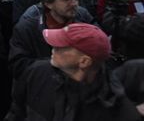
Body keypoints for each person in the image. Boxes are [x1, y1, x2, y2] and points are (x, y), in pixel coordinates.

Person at [7, 23, 140, 121]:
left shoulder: (118, 111)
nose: (53, 49)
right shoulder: (37, 73)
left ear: (84, 61)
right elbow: (16, 113)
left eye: (60, 47)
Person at [9, 0, 95, 78]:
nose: (73, 3)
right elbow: (18, 67)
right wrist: (58, 62)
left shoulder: (84, 19)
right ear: (48, 3)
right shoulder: (28, 28)